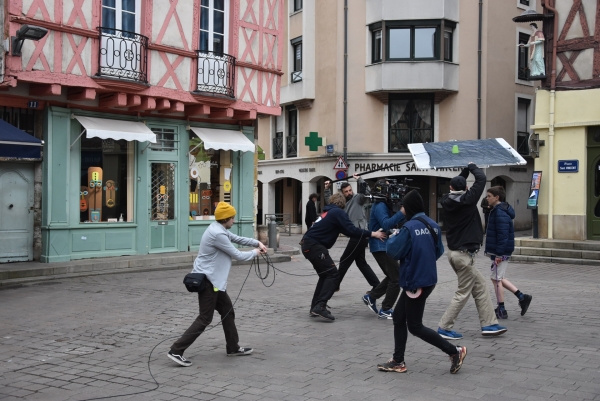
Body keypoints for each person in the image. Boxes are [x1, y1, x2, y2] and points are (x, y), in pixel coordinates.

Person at [167, 202, 268, 367]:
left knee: (228, 312)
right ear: (226, 218)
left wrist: (257, 243)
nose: (234, 220)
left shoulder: (219, 229)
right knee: (205, 318)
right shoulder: (217, 234)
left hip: (215, 282)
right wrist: (255, 252)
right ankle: (176, 350)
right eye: (233, 218)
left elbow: (237, 238)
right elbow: (237, 255)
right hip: (209, 282)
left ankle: (233, 347)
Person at [378, 190, 467, 374]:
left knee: (415, 326)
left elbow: (393, 251)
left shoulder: (409, 227)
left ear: (408, 207)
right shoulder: (432, 225)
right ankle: (398, 360)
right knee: (399, 317)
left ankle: (454, 351)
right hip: (427, 279)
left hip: (415, 282)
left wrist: (394, 236)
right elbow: (438, 250)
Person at [437, 163, 508, 340]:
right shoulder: (468, 200)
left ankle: (489, 324)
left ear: (451, 188)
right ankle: (444, 326)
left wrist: (465, 172)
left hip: (455, 253)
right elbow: (482, 178)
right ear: (467, 188)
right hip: (464, 255)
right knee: (462, 292)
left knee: (481, 286)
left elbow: (458, 184)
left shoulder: (447, 199)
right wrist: (471, 166)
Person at [301, 192, 387, 321]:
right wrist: (373, 234)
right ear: (342, 204)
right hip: (315, 246)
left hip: (307, 244)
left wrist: (364, 234)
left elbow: (347, 230)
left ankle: (316, 306)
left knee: (325, 275)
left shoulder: (328, 212)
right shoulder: (338, 213)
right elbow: (352, 229)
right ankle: (320, 305)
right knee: (333, 275)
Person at [324, 176, 381, 293]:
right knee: (361, 263)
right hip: (358, 236)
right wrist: (326, 189)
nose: (349, 193)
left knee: (344, 260)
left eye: (350, 190)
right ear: (342, 193)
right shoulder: (342, 204)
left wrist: (360, 179)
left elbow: (367, 192)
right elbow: (331, 202)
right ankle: (377, 286)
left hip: (359, 235)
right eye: (346, 191)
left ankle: (335, 285)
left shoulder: (357, 198)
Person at [484, 186, 532, 319]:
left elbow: (503, 235)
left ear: (497, 197)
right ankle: (522, 297)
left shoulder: (500, 212)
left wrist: (499, 254)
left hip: (501, 252)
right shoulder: (498, 210)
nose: (487, 198)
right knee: (497, 278)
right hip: (500, 251)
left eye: (489, 196)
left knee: (497, 279)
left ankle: (502, 309)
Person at [364, 181, 405, 319]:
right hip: (380, 246)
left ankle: (371, 297)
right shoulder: (380, 206)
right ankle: (386, 309)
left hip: (382, 245)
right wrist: (401, 213)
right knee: (397, 278)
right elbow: (386, 223)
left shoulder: (381, 205)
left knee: (392, 275)